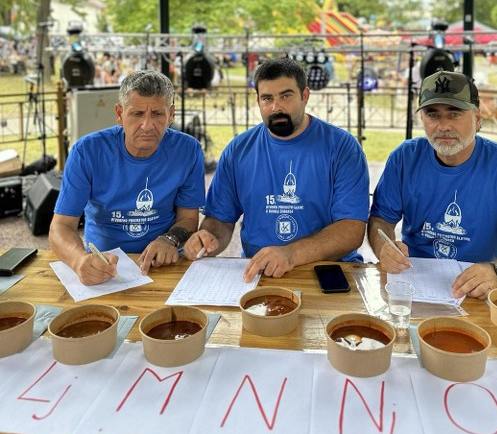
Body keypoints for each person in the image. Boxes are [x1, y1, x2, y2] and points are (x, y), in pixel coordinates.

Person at [368, 70, 497, 301]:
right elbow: (381, 220)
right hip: (416, 282)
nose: (443, 126)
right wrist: (383, 248)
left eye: (454, 114)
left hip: (481, 288)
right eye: (433, 114)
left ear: (477, 118)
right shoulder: (405, 158)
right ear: (422, 119)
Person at [183, 57, 369, 282]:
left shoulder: (342, 147)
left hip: (328, 271)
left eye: (286, 96)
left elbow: (351, 230)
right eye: (267, 98)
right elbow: (220, 219)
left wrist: (290, 254)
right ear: (258, 100)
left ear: (305, 95)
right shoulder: (238, 150)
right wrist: (207, 238)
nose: (276, 107)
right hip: (258, 270)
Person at [49, 70, 205, 284]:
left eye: (157, 114)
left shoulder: (188, 150)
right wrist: (79, 260)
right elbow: (61, 226)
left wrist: (168, 240)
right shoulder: (87, 151)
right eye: (137, 114)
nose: (147, 125)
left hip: (164, 262)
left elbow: (189, 218)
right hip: (104, 263)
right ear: (119, 114)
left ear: (171, 114)